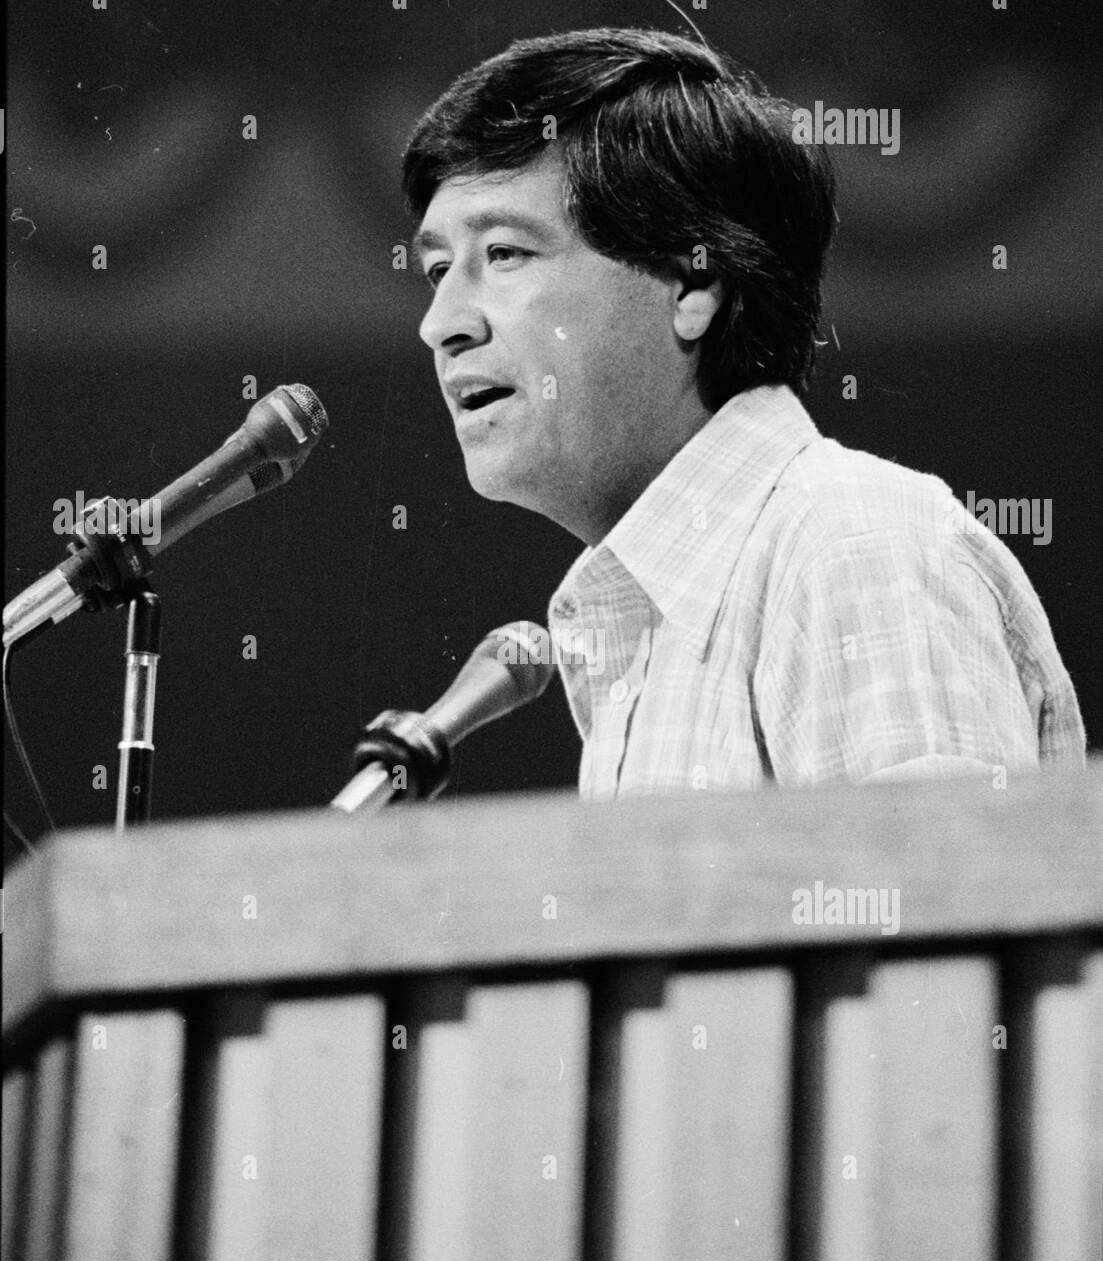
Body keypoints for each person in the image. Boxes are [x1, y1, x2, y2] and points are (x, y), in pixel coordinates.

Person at [402, 26, 1085, 798]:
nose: (441, 322)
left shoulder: (850, 547)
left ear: (692, 286)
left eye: (504, 255)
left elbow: (936, 911)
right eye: (435, 269)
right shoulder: (652, 619)